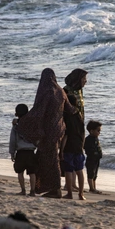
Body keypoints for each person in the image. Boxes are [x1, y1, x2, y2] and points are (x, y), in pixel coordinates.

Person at [18, 68, 77, 198]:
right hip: (59, 129)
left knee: (50, 160)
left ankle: (55, 190)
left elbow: (39, 111)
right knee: (51, 158)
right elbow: (71, 109)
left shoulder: (46, 91)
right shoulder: (61, 91)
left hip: (48, 131)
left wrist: (22, 121)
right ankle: (52, 188)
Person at [61, 95, 86, 200]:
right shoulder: (79, 115)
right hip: (78, 145)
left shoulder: (66, 115)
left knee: (69, 170)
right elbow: (83, 133)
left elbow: (66, 134)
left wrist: (61, 149)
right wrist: (82, 145)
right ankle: (81, 194)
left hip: (69, 145)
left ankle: (70, 193)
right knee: (79, 170)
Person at [9, 104, 38, 196]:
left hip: (21, 152)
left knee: (20, 172)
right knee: (32, 173)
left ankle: (23, 190)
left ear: (16, 113)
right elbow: (37, 137)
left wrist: (12, 153)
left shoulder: (16, 126)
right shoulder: (32, 125)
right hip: (31, 151)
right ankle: (32, 191)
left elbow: (12, 140)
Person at [84, 120, 103, 194]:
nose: (99, 133)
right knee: (91, 173)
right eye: (98, 130)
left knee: (95, 174)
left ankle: (94, 187)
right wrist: (93, 153)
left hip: (96, 159)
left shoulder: (96, 138)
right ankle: (91, 188)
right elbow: (86, 148)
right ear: (91, 131)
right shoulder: (88, 139)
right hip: (91, 159)